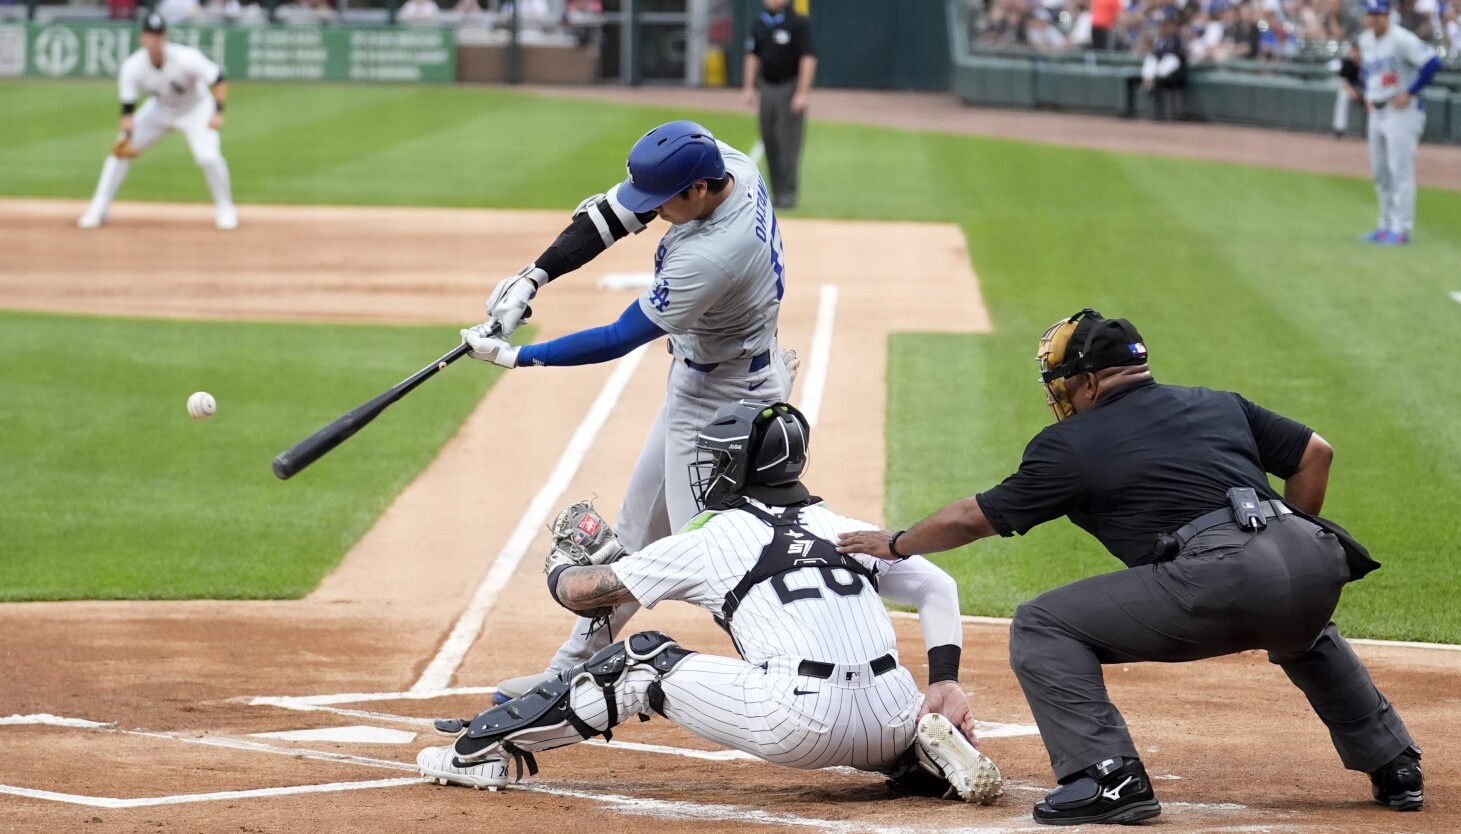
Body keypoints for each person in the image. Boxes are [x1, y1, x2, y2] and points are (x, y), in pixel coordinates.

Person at [837, 309, 1424, 826]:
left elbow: (973, 518)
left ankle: (1108, 777)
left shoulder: (1069, 444)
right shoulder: (1219, 403)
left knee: (1043, 625)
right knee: (1302, 628)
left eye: (1063, 381)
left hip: (1218, 572)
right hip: (1313, 555)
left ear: (1090, 381)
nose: (1059, 393)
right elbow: (1316, 452)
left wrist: (895, 543)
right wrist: (1279, 543)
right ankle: (1396, 765)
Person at [417, 401, 1003, 805]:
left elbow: (580, 595)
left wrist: (565, 562)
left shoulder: (713, 536)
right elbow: (936, 587)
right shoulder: (845, 526)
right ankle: (916, 759)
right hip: (893, 715)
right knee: (879, 711)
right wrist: (945, 678)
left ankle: (481, 751)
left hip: (797, 721)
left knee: (639, 660)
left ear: (735, 466)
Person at [460, 120, 796, 702]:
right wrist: (533, 276)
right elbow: (612, 216)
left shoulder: (716, 255)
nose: (649, 211)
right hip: (711, 380)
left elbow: (619, 336)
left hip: (727, 404)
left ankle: (800, 672)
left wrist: (519, 356)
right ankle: (567, 674)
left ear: (695, 192)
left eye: (660, 202)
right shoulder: (726, 163)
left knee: (715, 556)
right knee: (638, 540)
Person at [78, 14, 236, 231]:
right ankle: (98, 209)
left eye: (159, 34)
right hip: (159, 110)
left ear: (165, 37)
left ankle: (225, 209)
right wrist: (127, 126)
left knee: (208, 157)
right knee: (119, 153)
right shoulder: (133, 66)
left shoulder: (186, 58)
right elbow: (127, 106)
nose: (155, 39)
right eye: (151, 35)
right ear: (142, 38)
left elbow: (218, 77)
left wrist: (217, 112)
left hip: (196, 109)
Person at [1356, 0, 1442, 246]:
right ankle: (1384, 226)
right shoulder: (1365, 40)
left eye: (1380, 14)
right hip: (1378, 110)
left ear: (1388, 15)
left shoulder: (1401, 38)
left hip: (1402, 113)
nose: (1375, 18)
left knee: (1400, 172)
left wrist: (1411, 91)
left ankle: (1401, 229)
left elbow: (1434, 62)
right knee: (1380, 173)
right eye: (1371, 14)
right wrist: (1368, 94)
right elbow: (1368, 72)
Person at [742, 0, 816, 209]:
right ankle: (775, 193)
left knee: (788, 142)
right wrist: (749, 86)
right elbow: (752, 55)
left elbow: (808, 58)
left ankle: (788, 194)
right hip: (767, 86)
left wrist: (802, 92)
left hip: (789, 86)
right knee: (769, 140)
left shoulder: (798, 23)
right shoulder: (760, 23)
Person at [1121, 14, 1188, 119]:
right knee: (1134, 77)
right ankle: (1130, 109)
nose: (1162, 28)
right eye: (1161, 25)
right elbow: (1153, 57)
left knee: (1168, 61)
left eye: (1165, 25)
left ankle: (1160, 113)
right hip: (1155, 72)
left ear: (1171, 26)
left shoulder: (1178, 40)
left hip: (1174, 75)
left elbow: (1176, 60)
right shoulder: (1159, 40)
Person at [1332, 42, 1364, 139]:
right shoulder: (1347, 63)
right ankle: (1339, 129)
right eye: (1354, 51)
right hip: (1351, 91)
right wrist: (1352, 92)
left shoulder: (1367, 62)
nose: (1355, 53)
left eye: (1358, 51)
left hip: (1366, 91)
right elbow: (1343, 82)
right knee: (1343, 96)